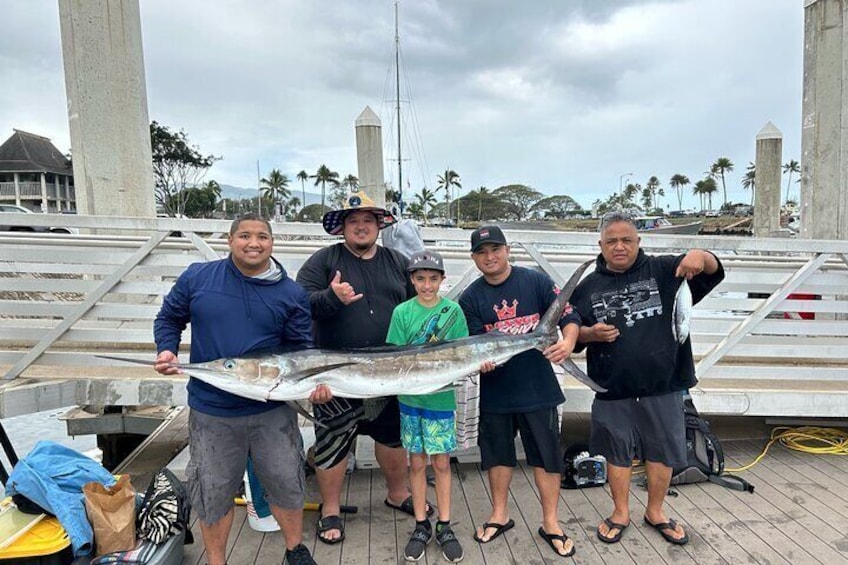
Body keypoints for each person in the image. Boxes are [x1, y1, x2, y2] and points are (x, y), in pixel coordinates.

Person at [153, 213, 330, 565]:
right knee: (212, 490)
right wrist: (167, 347)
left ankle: (295, 549)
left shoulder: (290, 293)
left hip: (272, 410)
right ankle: (217, 560)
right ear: (230, 240)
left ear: (272, 243)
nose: (254, 243)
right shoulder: (198, 277)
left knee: (286, 481)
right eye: (245, 236)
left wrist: (314, 384)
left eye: (262, 236)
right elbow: (169, 317)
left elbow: (300, 348)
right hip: (212, 409)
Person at [570, 211, 725, 546]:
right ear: (601, 245)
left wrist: (702, 255)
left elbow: (713, 271)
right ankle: (620, 512)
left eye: (627, 239)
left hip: (664, 383)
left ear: (639, 241)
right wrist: (589, 333)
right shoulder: (586, 288)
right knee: (616, 452)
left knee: (661, 451)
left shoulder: (666, 270)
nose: (620, 246)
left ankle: (656, 511)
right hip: (612, 387)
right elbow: (572, 336)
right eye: (612, 241)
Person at [296, 190, 431, 545]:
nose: (361, 227)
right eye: (353, 221)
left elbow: (419, 303)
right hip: (334, 371)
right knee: (333, 441)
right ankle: (329, 509)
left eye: (367, 221)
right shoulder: (322, 262)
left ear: (378, 225)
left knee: (392, 436)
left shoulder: (398, 261)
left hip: (390, 369)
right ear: (342, 228)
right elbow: (299, 304)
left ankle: (398, 493)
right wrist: (331, 297)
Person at [458, 225, 580, 558]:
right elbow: (473, 344)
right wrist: (480, 361)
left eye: (495, 249)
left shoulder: (536, 282)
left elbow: (570, 315)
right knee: (497, 456)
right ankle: (500, 514)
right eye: (482, 252)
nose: (490, 257)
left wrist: (568, 341)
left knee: (546, 457)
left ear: (507, 250)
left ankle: (551, 522)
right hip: (496, 391)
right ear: (474, 258)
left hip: (537, 388)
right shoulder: (470, 298)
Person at [385, 250, 468, 563]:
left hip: (440, 398)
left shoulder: (453, 311)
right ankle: (421, 523)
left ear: (442, 280)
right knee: (416, 463)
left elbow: (462, 353)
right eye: (420, 278)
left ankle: (444, 524)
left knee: (442, 463)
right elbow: (392, 356)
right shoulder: (402, 312)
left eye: (433, 278)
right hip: (410, 399)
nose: (427, 285)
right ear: (412, 280)